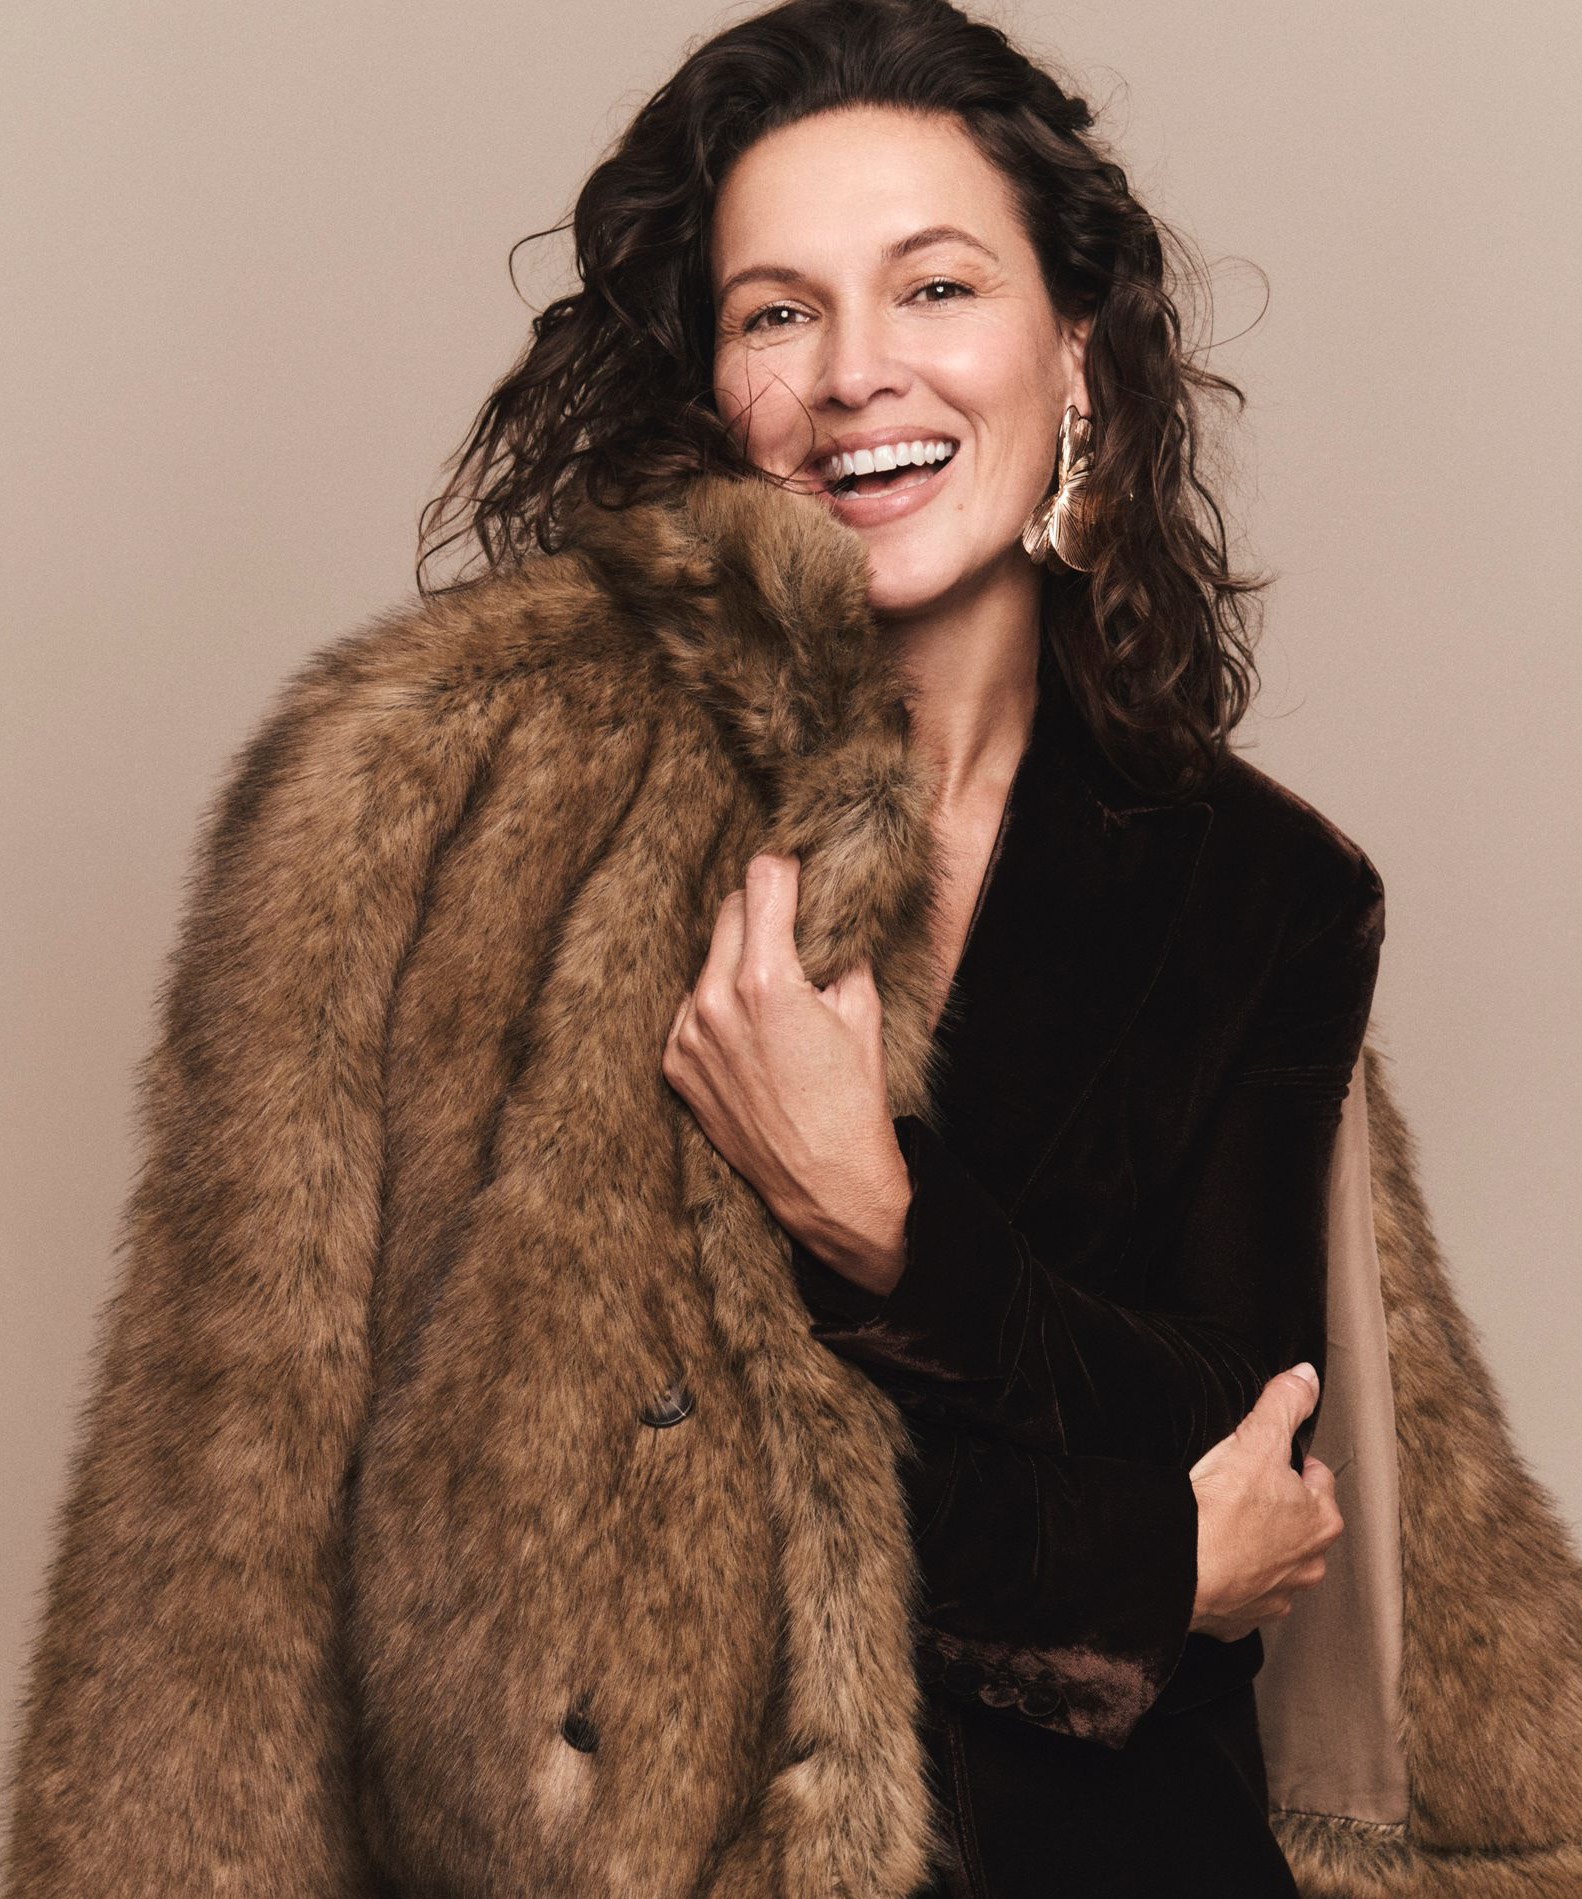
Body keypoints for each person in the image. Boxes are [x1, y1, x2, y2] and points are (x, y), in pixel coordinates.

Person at [5, 2, 1385, 1894]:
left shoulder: (1265, 886)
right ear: (707, 386)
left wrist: (881, 1220)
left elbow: (1253, 1457)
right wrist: (1135, 1565)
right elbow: (332, 1524)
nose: (853, 373)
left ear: (1077, 349)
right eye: (775, 313)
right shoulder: (450, 785)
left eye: (935, 287)